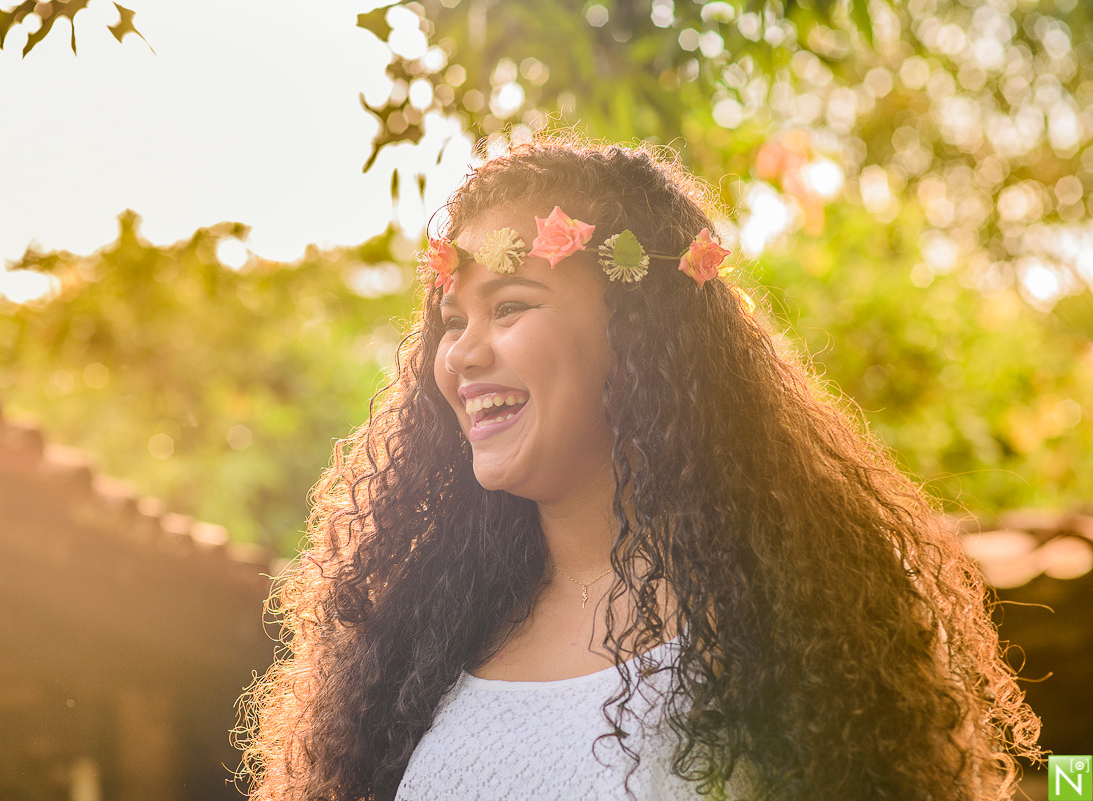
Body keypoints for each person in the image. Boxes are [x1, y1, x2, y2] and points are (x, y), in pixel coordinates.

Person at [235, 137, 1043, 801]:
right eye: (453, 320)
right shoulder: (419, 636)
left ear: (639, 330)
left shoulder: (790, 623)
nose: (461, 355)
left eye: (510, 305)